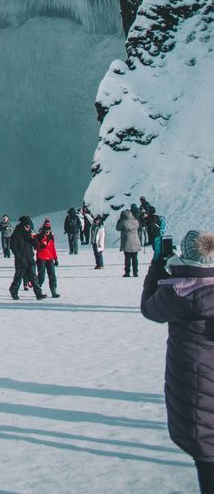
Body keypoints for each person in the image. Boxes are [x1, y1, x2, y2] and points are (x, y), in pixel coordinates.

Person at [142, 229, 214, 492]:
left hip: (196, 388)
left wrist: (157, 265)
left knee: (206, 455)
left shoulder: (177, 294)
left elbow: (149, 308)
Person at [9, 216, 45, 301]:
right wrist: (19, 257)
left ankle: (38, 294)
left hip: (29, 259)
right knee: (18, 277)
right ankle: (13, 290)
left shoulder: (29, 234)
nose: (28, 228)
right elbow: (13, 247)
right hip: (21, 260)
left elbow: (36, 246)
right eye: (26, 226)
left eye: (29, 227)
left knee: (33, 277)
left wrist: (34, 238)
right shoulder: (16, 234)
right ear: (22, 225)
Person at [35, 220, 60, 298]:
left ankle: (53, 290)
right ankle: (38, 290)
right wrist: (40, 246)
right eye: (46, 230)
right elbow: (35, 246)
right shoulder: (39, 237)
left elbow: (53, 249)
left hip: (50, 258)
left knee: (52, 275)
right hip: (41, 258)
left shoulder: (51, 238)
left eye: (49, 230)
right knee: (41, 275)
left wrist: (55, 259)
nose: (48, 232)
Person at [116, 206, 141, 277]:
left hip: (127, 243)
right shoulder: (135, 221)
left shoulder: (123, 222)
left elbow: (118, 228)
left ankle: (127, 272)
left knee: (127, 259)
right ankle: (135, 272)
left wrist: (119, 221)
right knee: (135, 258)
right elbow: (138, 227)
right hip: (135, 242)